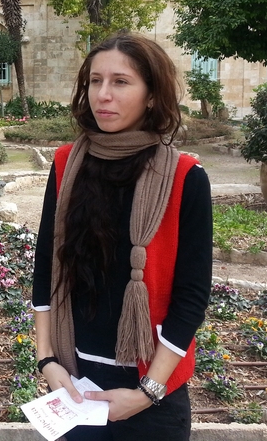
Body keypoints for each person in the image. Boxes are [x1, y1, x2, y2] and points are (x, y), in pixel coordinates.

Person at [32, 30, 212, 440]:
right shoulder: (66, 165)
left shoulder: (185, 178)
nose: (103, 95)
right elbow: (46, 268)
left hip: (151, 391)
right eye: (95, 81)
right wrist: (47, 360)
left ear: (151, 95)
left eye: (121, 82)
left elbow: (191, 297)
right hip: (75, 382)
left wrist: (148, 393)